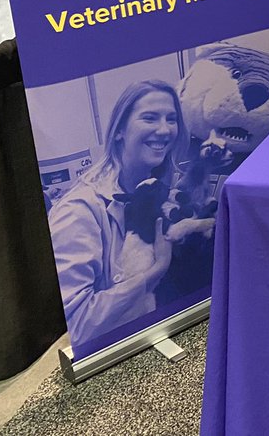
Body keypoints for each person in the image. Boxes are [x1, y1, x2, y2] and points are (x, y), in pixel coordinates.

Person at [47, 80, 190, 346]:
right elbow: (76, 328)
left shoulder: (161, 187)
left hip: (164, 330)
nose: (164, 129)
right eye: (149, 118)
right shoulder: (78, 211)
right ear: (119, 131)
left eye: (171, 119)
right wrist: (155, 272)